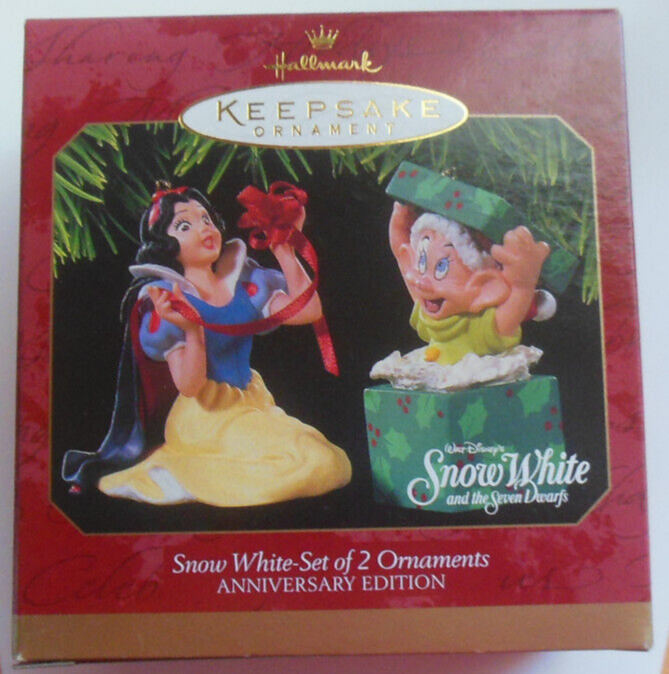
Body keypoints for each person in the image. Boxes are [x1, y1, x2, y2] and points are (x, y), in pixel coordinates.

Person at [62, 183, 351, 506]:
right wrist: (191, 329)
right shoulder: (170, 300)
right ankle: (177, 473)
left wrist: (284, 250)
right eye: (184, 226)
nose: (203, 228)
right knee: (312, 461)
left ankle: (193, 473)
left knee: (325, 456)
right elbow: (189, 386)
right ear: (166, 246)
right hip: (204, 416)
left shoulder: (243, 282)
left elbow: (308, 311)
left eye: (205, 219)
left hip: (250, 403)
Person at [389, 203, 553, 366]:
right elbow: (401, 255)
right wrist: (399, 224)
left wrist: (523, 283)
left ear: (485, 287)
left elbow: (516, 302)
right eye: (421, 264)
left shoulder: (480, 326)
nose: (421, 282)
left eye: (441, 268)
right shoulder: (428, 314)